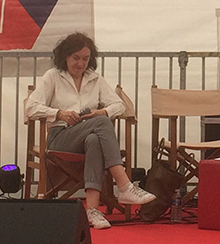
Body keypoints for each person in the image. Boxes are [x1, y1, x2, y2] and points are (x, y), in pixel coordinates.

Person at [25, 32, 155, 229]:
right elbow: (30, 108)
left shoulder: (95, 79)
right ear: (65, 57)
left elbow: (119, 105)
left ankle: (93, 211)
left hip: (86, 137)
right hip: (59, 137)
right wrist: (59, 114)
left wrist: (101, 111)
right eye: (75, 58)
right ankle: (124, 185)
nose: (80, 63)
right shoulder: (52, 76)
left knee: (95, 139)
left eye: (85, 59)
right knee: (102, 122)